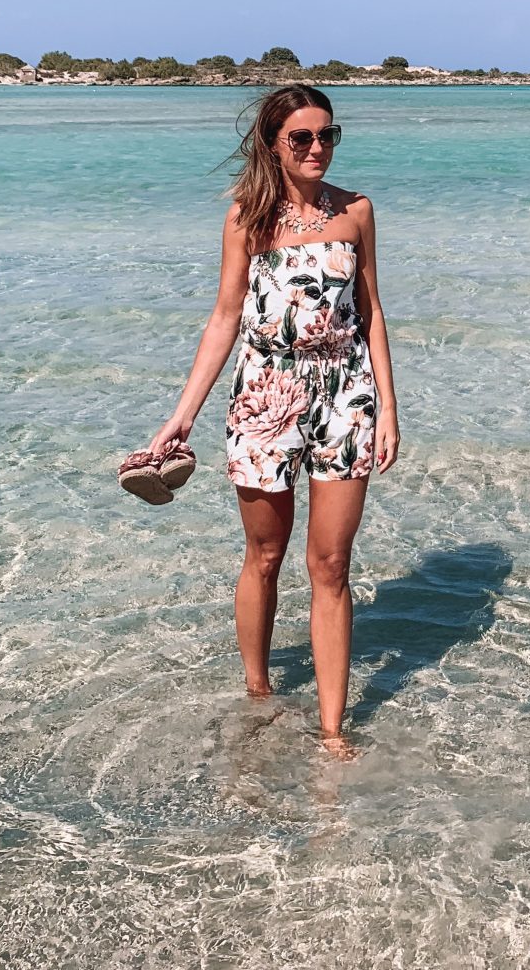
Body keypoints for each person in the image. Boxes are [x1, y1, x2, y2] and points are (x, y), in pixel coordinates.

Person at [145, 83, 401, 758]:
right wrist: (181, 418)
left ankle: (332, 729)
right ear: (272, 145)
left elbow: (372, 314)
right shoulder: (245, 219)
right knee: (264, 553)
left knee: (331, 564)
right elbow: (225, 319)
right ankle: (258, 694)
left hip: (346, 396)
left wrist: (389, 410)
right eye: (302, 138)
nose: (318, 148)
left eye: (328, 136)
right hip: (264, 394)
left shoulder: (357, 212)